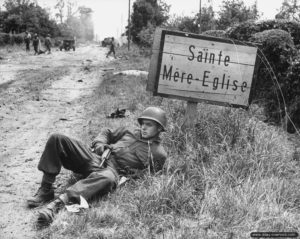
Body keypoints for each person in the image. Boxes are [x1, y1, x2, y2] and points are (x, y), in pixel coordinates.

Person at [27, 107, 168, 225]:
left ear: (159, 128)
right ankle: (46, 189)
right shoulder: (130, 131)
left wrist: (131, 175)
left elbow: (151, 176)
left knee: (107, 177)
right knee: (57, 138)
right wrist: (100, 144)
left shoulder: (158, 153)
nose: (143, 127)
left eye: (149, 125)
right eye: (143, 123)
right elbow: (107, 132)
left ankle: (57, 204)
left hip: (112, 172)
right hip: (97, 158)